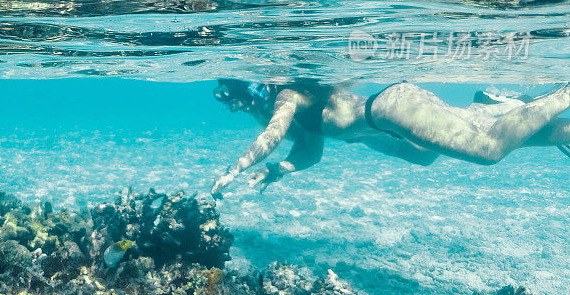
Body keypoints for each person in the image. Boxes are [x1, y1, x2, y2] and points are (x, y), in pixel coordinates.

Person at [211, 80, 570, 198]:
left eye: (239, 100)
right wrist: (280, 169)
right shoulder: (286, 110)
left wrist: (238, 166)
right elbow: (309, 151)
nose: (241, 108)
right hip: (386, 126)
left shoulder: (288, 96)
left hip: (392, 110)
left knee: (488, 149)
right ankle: (494, 106)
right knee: (426, 156)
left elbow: (272, 133)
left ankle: (563, 93)